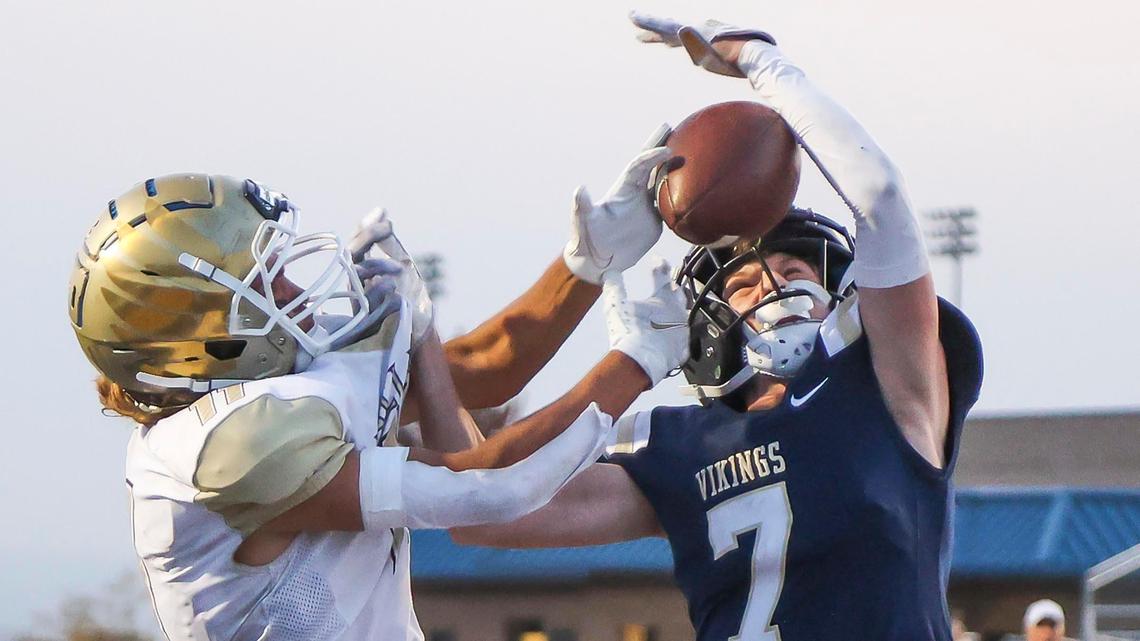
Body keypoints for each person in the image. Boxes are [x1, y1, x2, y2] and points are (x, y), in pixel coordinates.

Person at [453, 14, 984, 641]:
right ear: (708, 327)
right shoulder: (686, 445)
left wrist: (763, 64)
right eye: (742, 284)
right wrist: (627, 359)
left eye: (791, 267)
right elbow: (477, 511)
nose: (774, 286)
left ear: (841, 289)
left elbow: (882, 200)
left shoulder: (890, 390)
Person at [67, 161, 687, 640]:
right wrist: (635, 362)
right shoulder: (229, 449)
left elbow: (479, 369)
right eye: (261, 282)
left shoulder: (281, 389)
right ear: (202, 332)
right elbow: (494, 489)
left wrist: (585, 264)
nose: (290, 288)